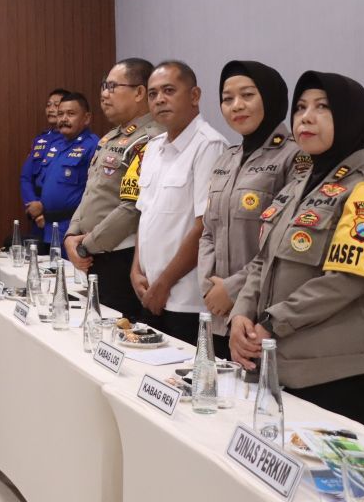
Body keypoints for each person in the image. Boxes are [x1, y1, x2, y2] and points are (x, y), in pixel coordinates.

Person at [230, 72, 364, 432]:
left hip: (336, 371)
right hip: (282, 362)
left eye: (322, 107)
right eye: (300, 108)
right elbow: (262, 261)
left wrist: (271, 323)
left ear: (350, 116)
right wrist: (240, 316)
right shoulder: (297, 186)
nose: (306, 118)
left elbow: (347, 281)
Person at [198, 61, 306, 358]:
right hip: (217, 313)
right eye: (227, 98)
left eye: (247, 95)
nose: (236, 105)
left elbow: (285, 241)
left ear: (270, 96)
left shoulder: (296, 156)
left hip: (264, 315)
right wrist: (209, 287)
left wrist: (232, 289)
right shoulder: (226, 159)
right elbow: (208, 232)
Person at [127, 62, 227, 344]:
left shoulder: (209, 145)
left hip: (186, 300)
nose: (159, 99)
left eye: (169, 91)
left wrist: (164, 283)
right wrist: (136, 270)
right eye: (153, 94)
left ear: (194, 96)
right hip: (149, 290)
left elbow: (204, 227)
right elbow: (145, 214)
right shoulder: (152, 147)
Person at [65, 58, 161, 319]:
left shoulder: (151, 138)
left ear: (139, 92)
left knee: (118, 330)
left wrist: (86, 245)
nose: (104, 94)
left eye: (111, 86)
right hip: (94, 254)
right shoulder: (111, 137)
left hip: (121, 256)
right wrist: (71, 235)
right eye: (103, 86)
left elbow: (133, 206)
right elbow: (90, 192)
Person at [34, 92, 99, 239]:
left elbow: (95, 194)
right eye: (60, 114)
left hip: (74, 230)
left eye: (70, 114)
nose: (64, 119)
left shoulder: (93, 146)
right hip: (49, 227)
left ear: (86, 118)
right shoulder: (56, 145)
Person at [21, 88, 68, 237]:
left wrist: (44, 208)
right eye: (48, 105)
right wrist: (34, 207)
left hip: (60, 215)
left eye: (56, 105)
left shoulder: (71, 140)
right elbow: (26, 177)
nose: (51, 109)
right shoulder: (40, 140)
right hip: (36, 214)